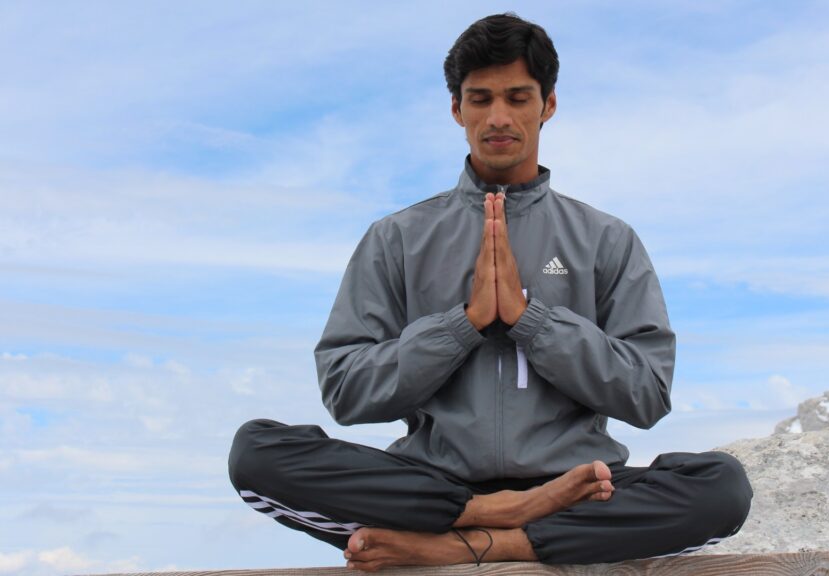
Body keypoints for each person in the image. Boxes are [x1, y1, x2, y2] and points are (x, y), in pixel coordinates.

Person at [228, 13, 752, 572]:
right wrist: (463, 324)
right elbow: (346, 391)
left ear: (547, 104)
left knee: (722, 487)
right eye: (480, 99)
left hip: (572, 488)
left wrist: (533, 321)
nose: (498, 117)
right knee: (256, 451)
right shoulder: (397, 238)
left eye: (517, 97)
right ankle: (488, 514)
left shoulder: (606, 239)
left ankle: (472, 542)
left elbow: (647, 393)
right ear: (457, 109)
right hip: (431, 484)